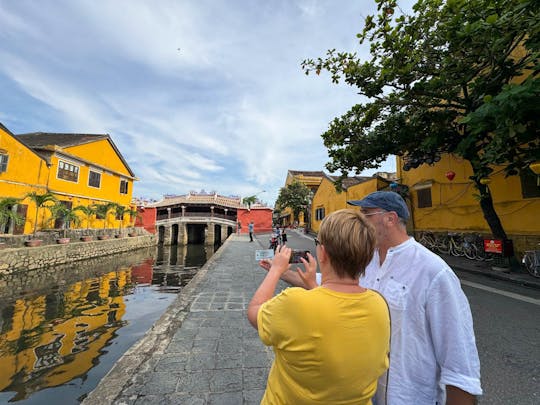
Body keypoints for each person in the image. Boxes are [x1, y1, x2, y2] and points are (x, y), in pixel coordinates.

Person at [262, 191, 482, 405]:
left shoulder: (433, 271)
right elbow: (327, 285)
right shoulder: (366, 260)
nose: (360, 221)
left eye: (366, 215)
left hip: (409, 395)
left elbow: (459, 362)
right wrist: (280, 272)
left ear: (390, 219)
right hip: (365, 394)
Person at [248, 209, 391, 405]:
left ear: (322, 253)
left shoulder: (296, 303)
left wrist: (275, 270)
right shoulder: (379, 304)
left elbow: (255, 311)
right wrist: (314, 286)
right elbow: (337, 325)